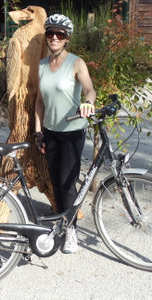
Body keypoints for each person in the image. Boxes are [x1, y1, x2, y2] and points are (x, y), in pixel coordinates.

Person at [34, 14, 96, 254]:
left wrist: (88, 103)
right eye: (50, 33)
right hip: (50, 132)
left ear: (67, 38)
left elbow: (90, 90)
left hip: (72, 132)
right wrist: (38, 131)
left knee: (67, 182)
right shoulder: (41, 65)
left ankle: (72, 231)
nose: (54, 37)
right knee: (54, 181)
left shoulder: (76, 63)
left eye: (60, 34)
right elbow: (39, 101)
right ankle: (61, 220)